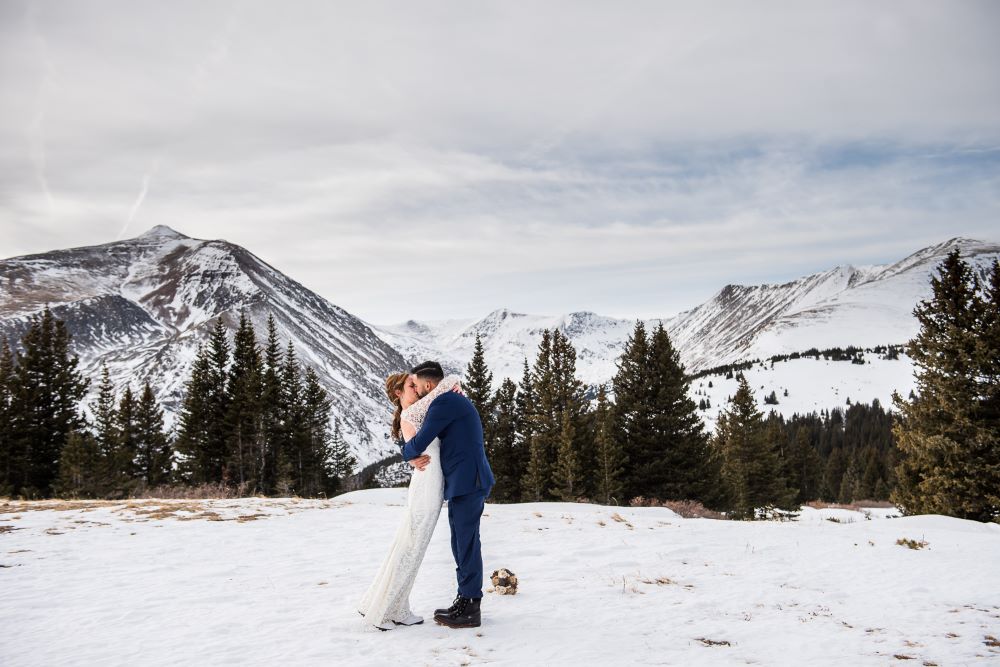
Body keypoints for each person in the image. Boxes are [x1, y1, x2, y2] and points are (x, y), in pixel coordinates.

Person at [357, 369, 462, 631]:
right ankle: (383, 611)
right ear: (398, 392)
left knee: (414, 546)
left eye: (416, 385)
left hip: (432, 483)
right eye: (411, 385)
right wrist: (452, 382)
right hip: (426, 485)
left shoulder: (418, 412)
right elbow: (438, 391)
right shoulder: (410, 413)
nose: (417, 389)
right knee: (411, 546)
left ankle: (397, 607)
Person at [402, 361, 495, 629]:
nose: (417, 391)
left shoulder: (444, 403)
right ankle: (464, 599)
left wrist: (406, 453)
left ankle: (470, 606)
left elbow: (418, 444)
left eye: (418, 386)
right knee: (461, 542)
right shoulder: (449, 400)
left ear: (428, 385)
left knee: (465, 543)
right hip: (465, 480)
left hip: (468, 481)